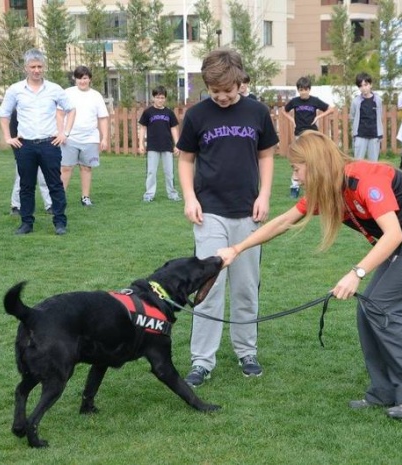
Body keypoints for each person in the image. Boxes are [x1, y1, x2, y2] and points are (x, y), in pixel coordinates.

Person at [218, 130, 402, 419]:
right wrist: (237, 248)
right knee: (370, 308)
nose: (296, 177)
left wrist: (356, 273)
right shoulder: (329, 190)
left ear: (314, 163)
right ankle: (384, 391)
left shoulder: (364, 178)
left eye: (297, 168)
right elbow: (283, 221)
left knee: (384, 308)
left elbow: (393, 234)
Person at [177, 49, 278, 387]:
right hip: (210, 214)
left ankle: (246, 351)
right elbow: (186, 160)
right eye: (214, 91)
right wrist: (190, 198)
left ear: (240, 82)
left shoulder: (258, 112)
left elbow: (266, 156)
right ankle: (202, 360)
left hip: (248, 212)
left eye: (228, 91)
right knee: (211, 286)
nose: (221, 97)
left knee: (247, 288)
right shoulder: (196, 116)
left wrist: (264, 195)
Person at [0, 49, 76, 235]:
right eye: (33, 66)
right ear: (26, 68)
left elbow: (71, 109)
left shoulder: (54, 89)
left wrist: (65, 132)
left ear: (44, 67)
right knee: (26, 185)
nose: (36, 70)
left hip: (50, 144)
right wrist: (8, 137)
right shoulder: (15, 90)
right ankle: (26, 223)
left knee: (55, 184)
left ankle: (59, 222)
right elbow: (3, 113)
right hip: (25, 145)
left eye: (40, 66)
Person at [61, 66, 109, 207]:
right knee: (65, 168)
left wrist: (104, 137)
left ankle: (85, 197)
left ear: (89, 79)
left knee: (86, 167)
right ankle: (59, 198)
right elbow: (59, 114)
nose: (82, 81)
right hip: (69, 137)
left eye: (85, 78)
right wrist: (61, 133)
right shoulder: (67, 93)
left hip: (90, 138)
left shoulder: (96, 96)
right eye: (79, 78)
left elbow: (103, 118)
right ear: (74, 79)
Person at [285, 76, 334, 198]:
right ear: (298, 90)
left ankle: (315, 187)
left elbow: (330, 109)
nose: (303, 92)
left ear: (309, 89)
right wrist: (292, 120)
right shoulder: (295, 101)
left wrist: (318, 117)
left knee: (313, 161)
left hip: (312, 134)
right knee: (298, 161)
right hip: (299, 134)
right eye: (301, 90)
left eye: (306, 89)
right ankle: (295, 188)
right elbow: (284, 111)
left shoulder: (315, 101)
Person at [138, 85, 181, 202]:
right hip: (153, 147)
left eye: (162, 97)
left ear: (165, 99)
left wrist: (177, 144)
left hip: (167, 146)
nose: (160, 100)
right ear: (153, 98)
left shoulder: (169, 113)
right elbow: (142, 128)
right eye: (157, 97)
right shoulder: (148, 112)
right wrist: (141, 144)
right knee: (151, 172)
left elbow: (174, 129)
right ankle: (149, 194)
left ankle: (172, 193)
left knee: (169, 172)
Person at [8, 110, 52, 215]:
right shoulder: (17, 111)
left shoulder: (45, 110)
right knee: (21, 179)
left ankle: (50, 205)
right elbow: (13, 133)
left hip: (43, 150)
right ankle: (16, 206)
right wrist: (17, 153)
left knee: (45, 179)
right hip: (24, 151)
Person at [350, 72, 384, 161]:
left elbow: (379, 116)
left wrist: (379, 133)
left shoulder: (378, 100)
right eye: (361, 86)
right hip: (360, 135)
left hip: (374, 135)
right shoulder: (355, 102)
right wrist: (354, 131)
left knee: (373, 163)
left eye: (366, 85)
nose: (364, 88)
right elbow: (352, 117)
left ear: (370, 84)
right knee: (358, 162)